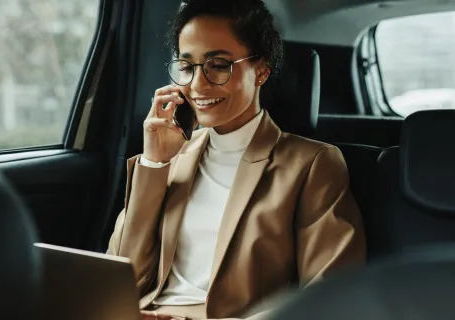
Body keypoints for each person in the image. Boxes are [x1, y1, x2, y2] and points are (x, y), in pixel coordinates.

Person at [107, 0, 366, 319]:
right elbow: (121, 280)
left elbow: (330, 295)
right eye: (187, 67)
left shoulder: (312, 163)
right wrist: (154, 164)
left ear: (261, 70)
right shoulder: (172, 154)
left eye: (218, 65)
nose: (198, 85)